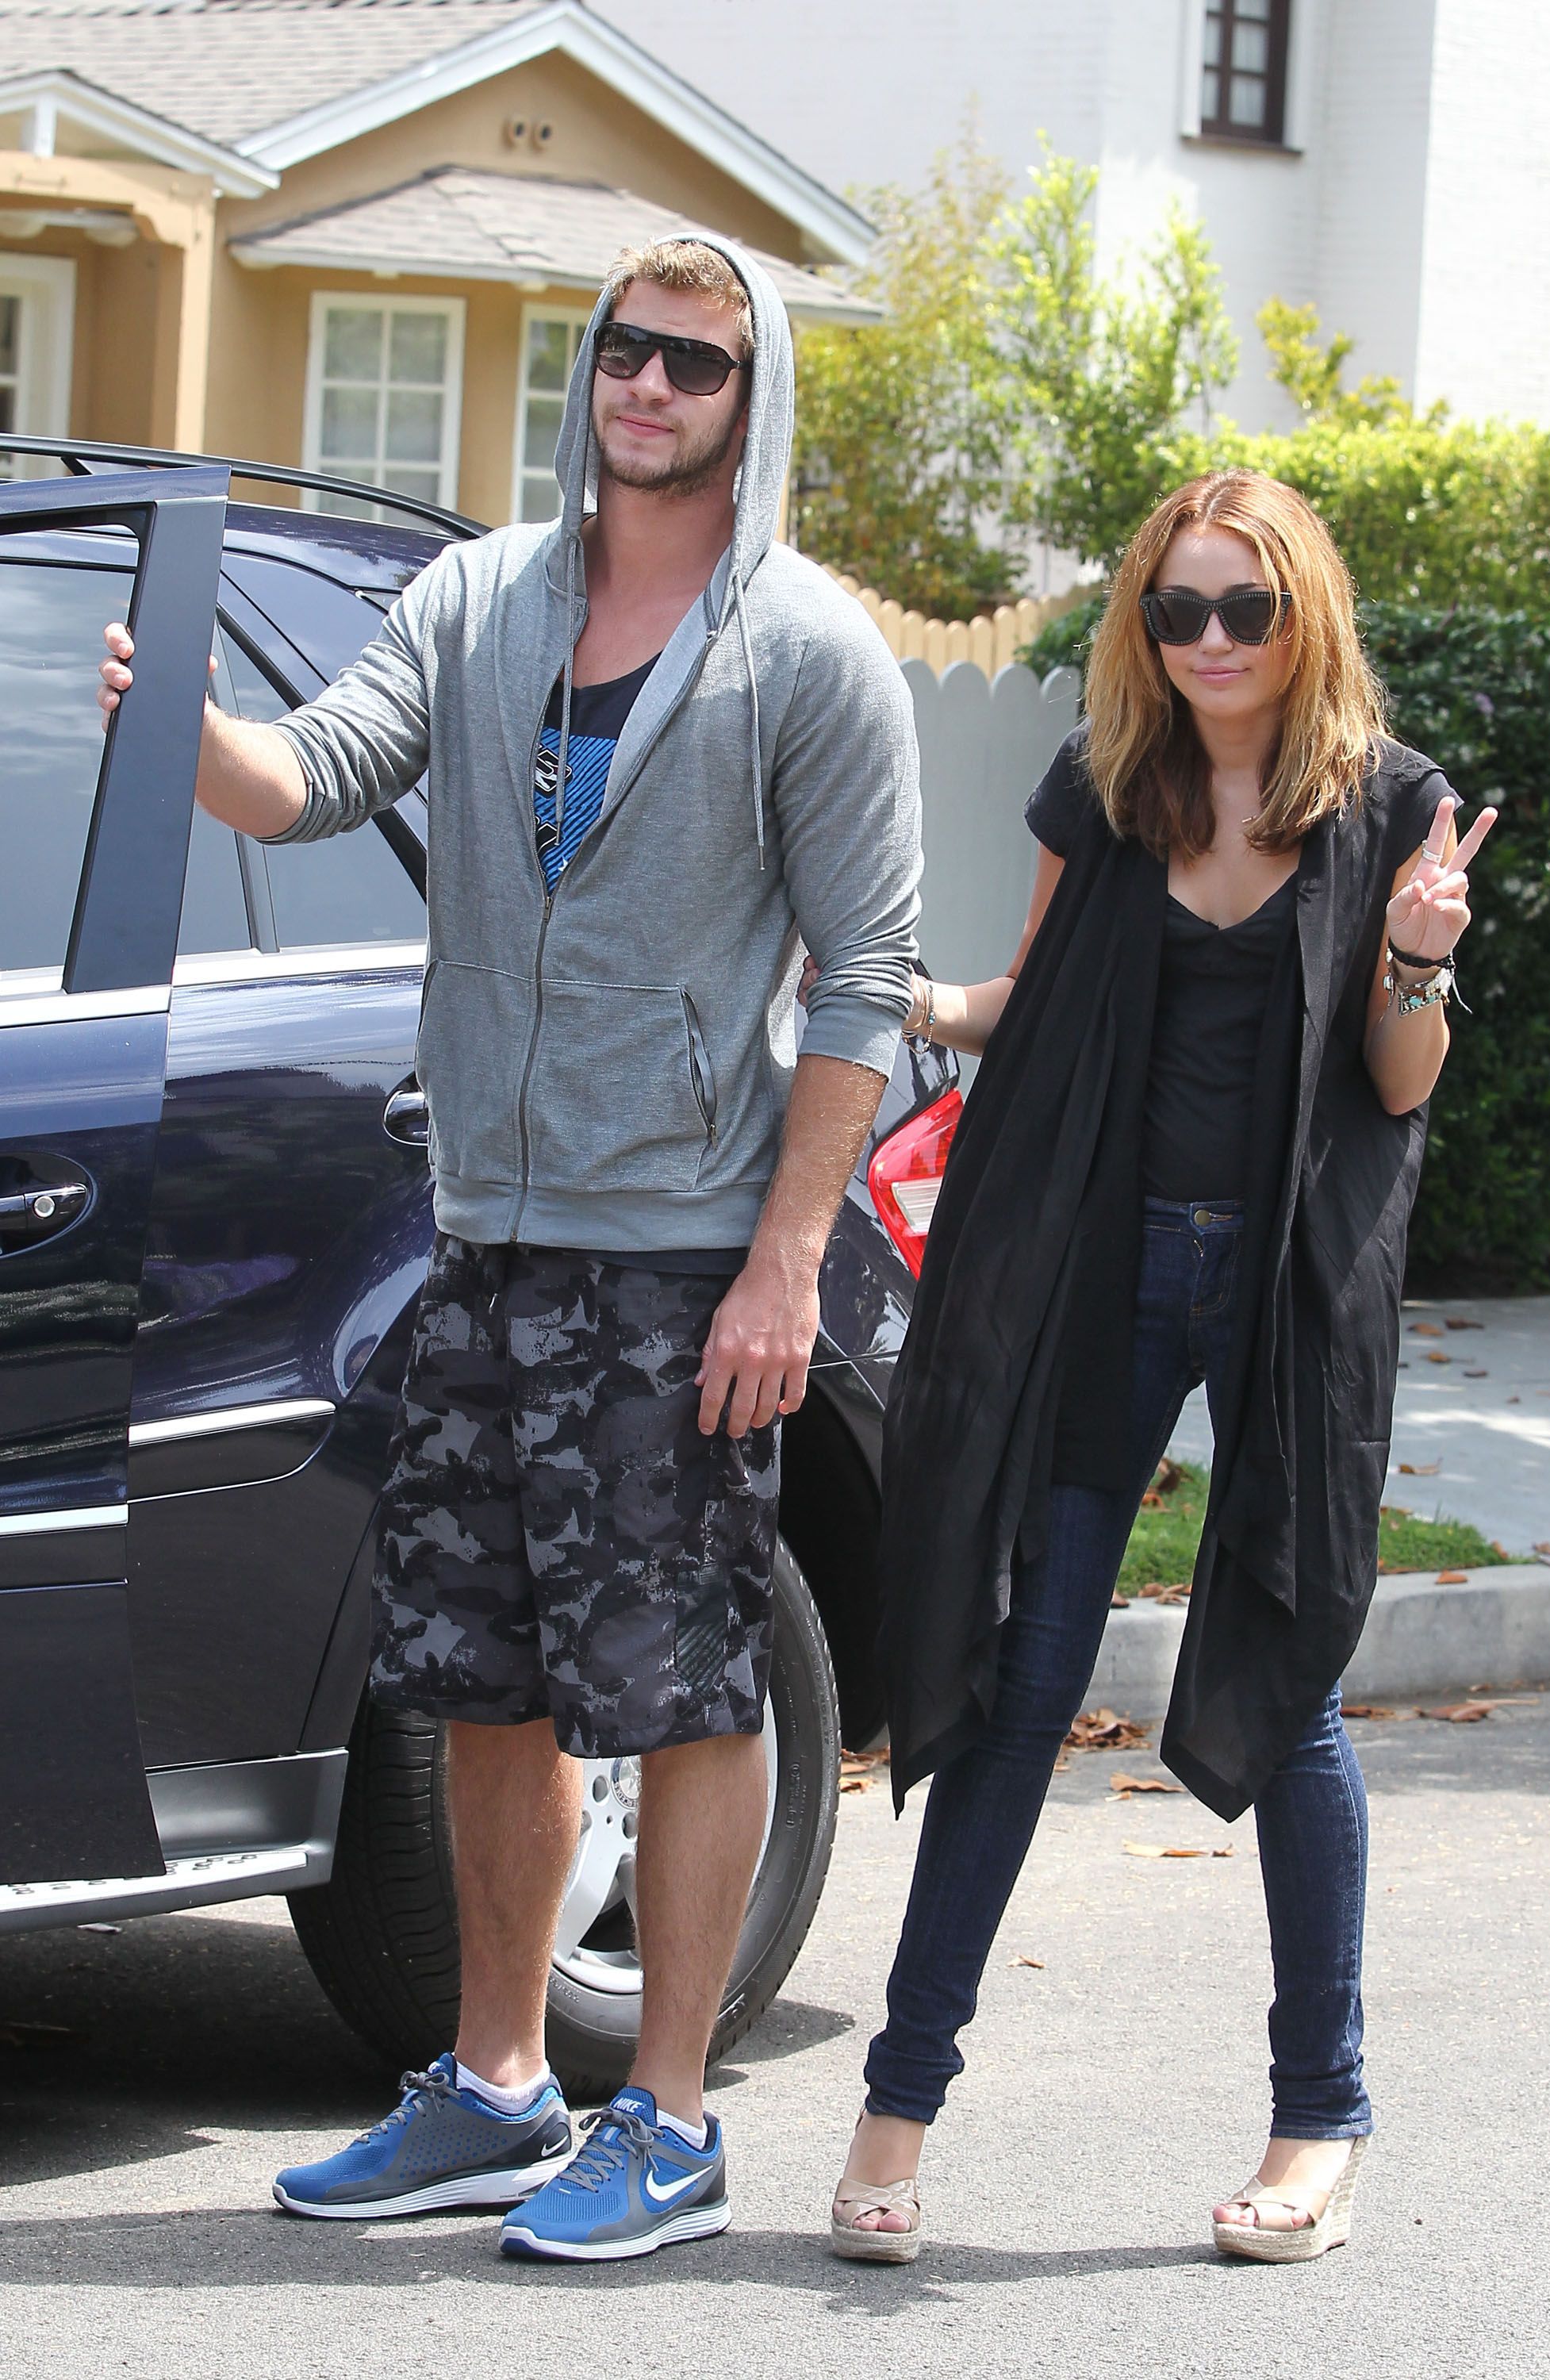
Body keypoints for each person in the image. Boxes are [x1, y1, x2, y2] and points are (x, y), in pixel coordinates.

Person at [101, 238, 921, 2263]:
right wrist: (188, 731)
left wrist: (783, 1262)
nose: (648, 386)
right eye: (626, 350)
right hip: (478, 1233)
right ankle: (489, 2087)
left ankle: (674, 2120)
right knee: (478, 1679)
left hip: (682, 1256)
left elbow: (865, 979)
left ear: (752, 393)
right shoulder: (477, 603)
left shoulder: (806, 651)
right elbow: (312, 778)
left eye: (695, 363)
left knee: (690, 1690)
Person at [826, 469, 1496, 2266]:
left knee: (1289, 1689)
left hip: (1283, 1294)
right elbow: (1027, 1001)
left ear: (1303, 616)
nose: (1209, 641)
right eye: (1176, 608)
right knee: (1022, 1680)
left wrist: (1417, 960)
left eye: (1243, 609)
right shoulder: (1109, 787)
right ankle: (896, 2107)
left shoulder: (1392, 806)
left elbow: (1398, 1085)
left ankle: (1318, 2121)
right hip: (1101, 1273)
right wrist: (893, 997)